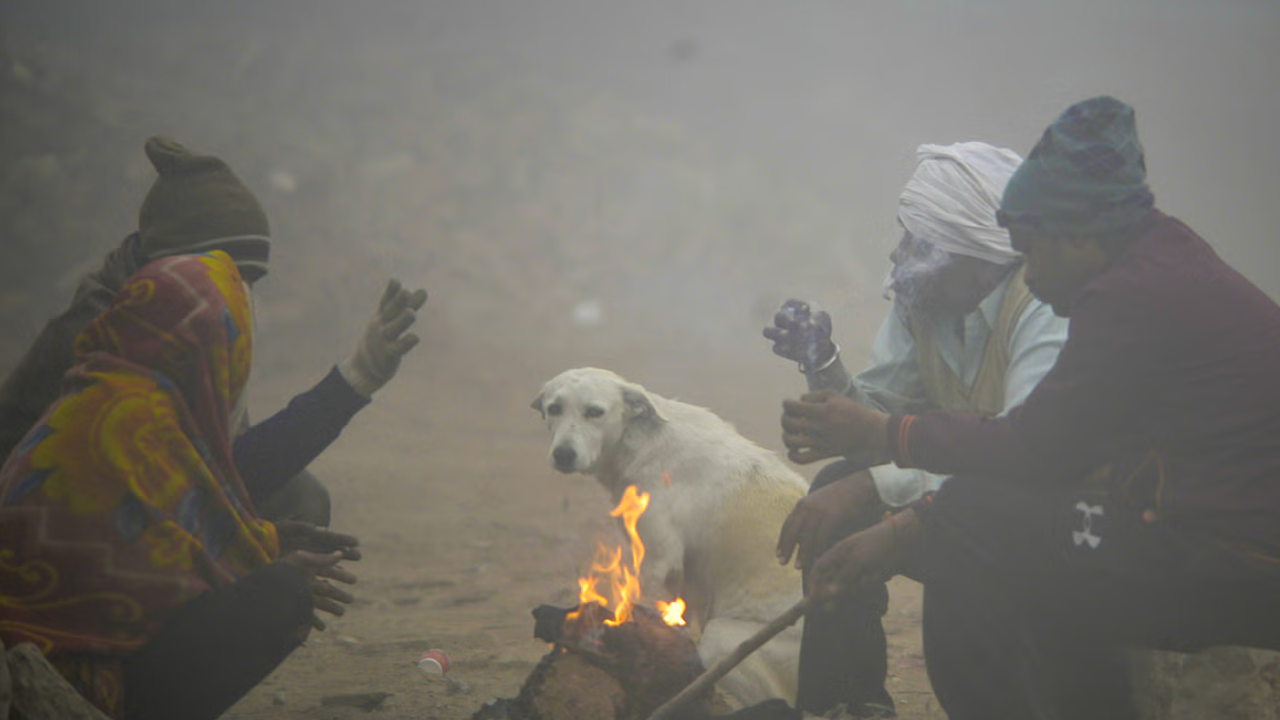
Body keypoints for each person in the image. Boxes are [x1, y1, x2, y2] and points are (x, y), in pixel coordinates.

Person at [781, 96, 1280, 719]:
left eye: (1034, 252)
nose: (1032, 272)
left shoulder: (1123, 297)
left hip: (1242, 557)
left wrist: (897, 473)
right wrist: (851, 406)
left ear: (1077, 234)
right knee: (975, 516)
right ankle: (846, 706)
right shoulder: (1150, 262)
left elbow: (1034, 451)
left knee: (972, 523)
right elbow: (1062, 453)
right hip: (1187, 521)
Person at [0, 251, 388, 719]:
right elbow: (153, 586)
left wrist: (355, 380)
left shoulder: (108, 392)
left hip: (47, 656)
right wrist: (275, 573)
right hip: (70, 689)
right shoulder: (134, 426)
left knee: (286, 539)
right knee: (281, 594)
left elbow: (177, 525)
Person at [762, 142, 1068, 718]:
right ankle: (847, 704)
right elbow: (878, 420)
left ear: (979, 256)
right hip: (964, 495)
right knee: (840, 480)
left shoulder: (1042, 308)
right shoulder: (926, 303)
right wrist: (821, 361)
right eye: (904, 235)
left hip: (1042, 518)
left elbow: (1025, 453)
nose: (899, 256)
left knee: (856, 489)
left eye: (919, 243)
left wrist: (873, 488)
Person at [0, 136, 406, 527]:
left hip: (144, 520)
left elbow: (229, 467)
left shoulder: (189, 324)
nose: (238, 297)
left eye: (247, 282)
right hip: (66, 542)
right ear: (174, 267)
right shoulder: (103, 341)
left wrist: (355, 379)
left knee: (299, 499)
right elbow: (167, 494)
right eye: (226, 278)